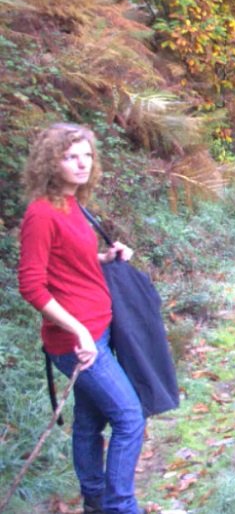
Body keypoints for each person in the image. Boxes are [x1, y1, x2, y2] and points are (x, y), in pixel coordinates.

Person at [18, 123, 144, 514]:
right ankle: (120, 506)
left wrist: (105, 258)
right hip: (77, 341)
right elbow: (32, 286)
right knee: (129, 418)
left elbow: (70, 261)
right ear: (50, 162)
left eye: (86, 154)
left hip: (98, 331)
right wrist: (77, 332)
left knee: (90, 425)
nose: (81, 163)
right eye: (71, 156)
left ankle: (95, 501)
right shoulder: (41, 214)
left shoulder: (72, 204)